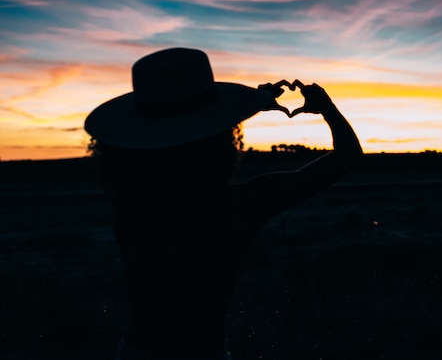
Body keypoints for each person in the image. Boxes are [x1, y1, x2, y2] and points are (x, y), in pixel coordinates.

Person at [83, 47, 363, 360]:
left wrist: (249, 104)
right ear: (221, 142)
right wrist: (325, 108)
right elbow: (347, 155)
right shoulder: (240, 206)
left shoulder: (127, 200)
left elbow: (159, 143)